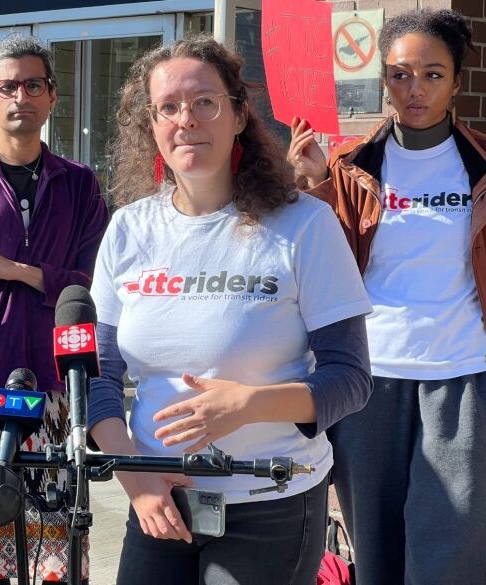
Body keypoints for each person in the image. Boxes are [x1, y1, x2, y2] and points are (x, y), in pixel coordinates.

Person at [87, 36, 374, 585]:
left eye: (204, 102)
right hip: (158, 498)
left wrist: (248, 405)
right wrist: (136, 478)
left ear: (239, 115)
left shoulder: (304, 226)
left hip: (272, 497)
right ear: (151, 125)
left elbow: (351, 378)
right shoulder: (129, 229)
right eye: (167, 107)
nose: (185, 120)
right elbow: (100, 377)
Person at [287, 9, 486, 585]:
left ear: (457, 81)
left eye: (433, 75)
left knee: (450, 553)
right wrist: (316, 185)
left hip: (460, 376)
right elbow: (324, 266)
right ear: (385, 78)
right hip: (370, 379)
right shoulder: (354, 166)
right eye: (401, 74)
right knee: (375, 551)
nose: (416, 89)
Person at [0, 35, 108, 585]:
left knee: (58, 554)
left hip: (57, 393)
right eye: (7, 86)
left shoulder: (81, 185)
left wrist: (15, 270)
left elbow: (94, 284)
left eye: (32, 84)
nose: (19, 95)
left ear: (51, 96)